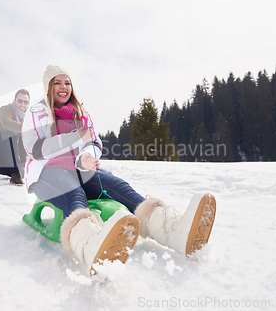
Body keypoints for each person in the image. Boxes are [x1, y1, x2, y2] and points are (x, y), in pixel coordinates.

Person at [22, 65, 216, 276]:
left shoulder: (81, 113)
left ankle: (173, 231)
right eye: (57, 83)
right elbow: (35, 149)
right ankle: (90, 245)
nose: (63, 87)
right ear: (48, 87)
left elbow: (94, 142)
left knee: (120, 188)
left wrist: (88, 157)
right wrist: (75, 137)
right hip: (47, 173)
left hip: (80, 169)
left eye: (67, 83)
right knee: (75, 195)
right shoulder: (37, 112)